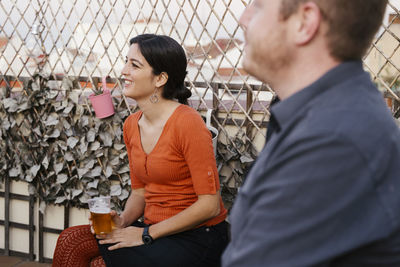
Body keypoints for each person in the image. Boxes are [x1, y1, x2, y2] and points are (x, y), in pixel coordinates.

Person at [222, 1, 400, 266]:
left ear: (304, 23)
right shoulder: (315, 114)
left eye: (257, 6)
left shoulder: (333, 141)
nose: (242, 19)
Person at [52, 34, 228, 267]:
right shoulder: (132, 125)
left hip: (197, 236)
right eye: (126, 61)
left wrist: (146, 234)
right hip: (151, 229)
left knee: (99, 264)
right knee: (70, 241)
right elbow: (140, 193)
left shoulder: (188, 123)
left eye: (134, 65)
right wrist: (123, 221)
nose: (124, 70)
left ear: (160, 79)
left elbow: (209, 205)